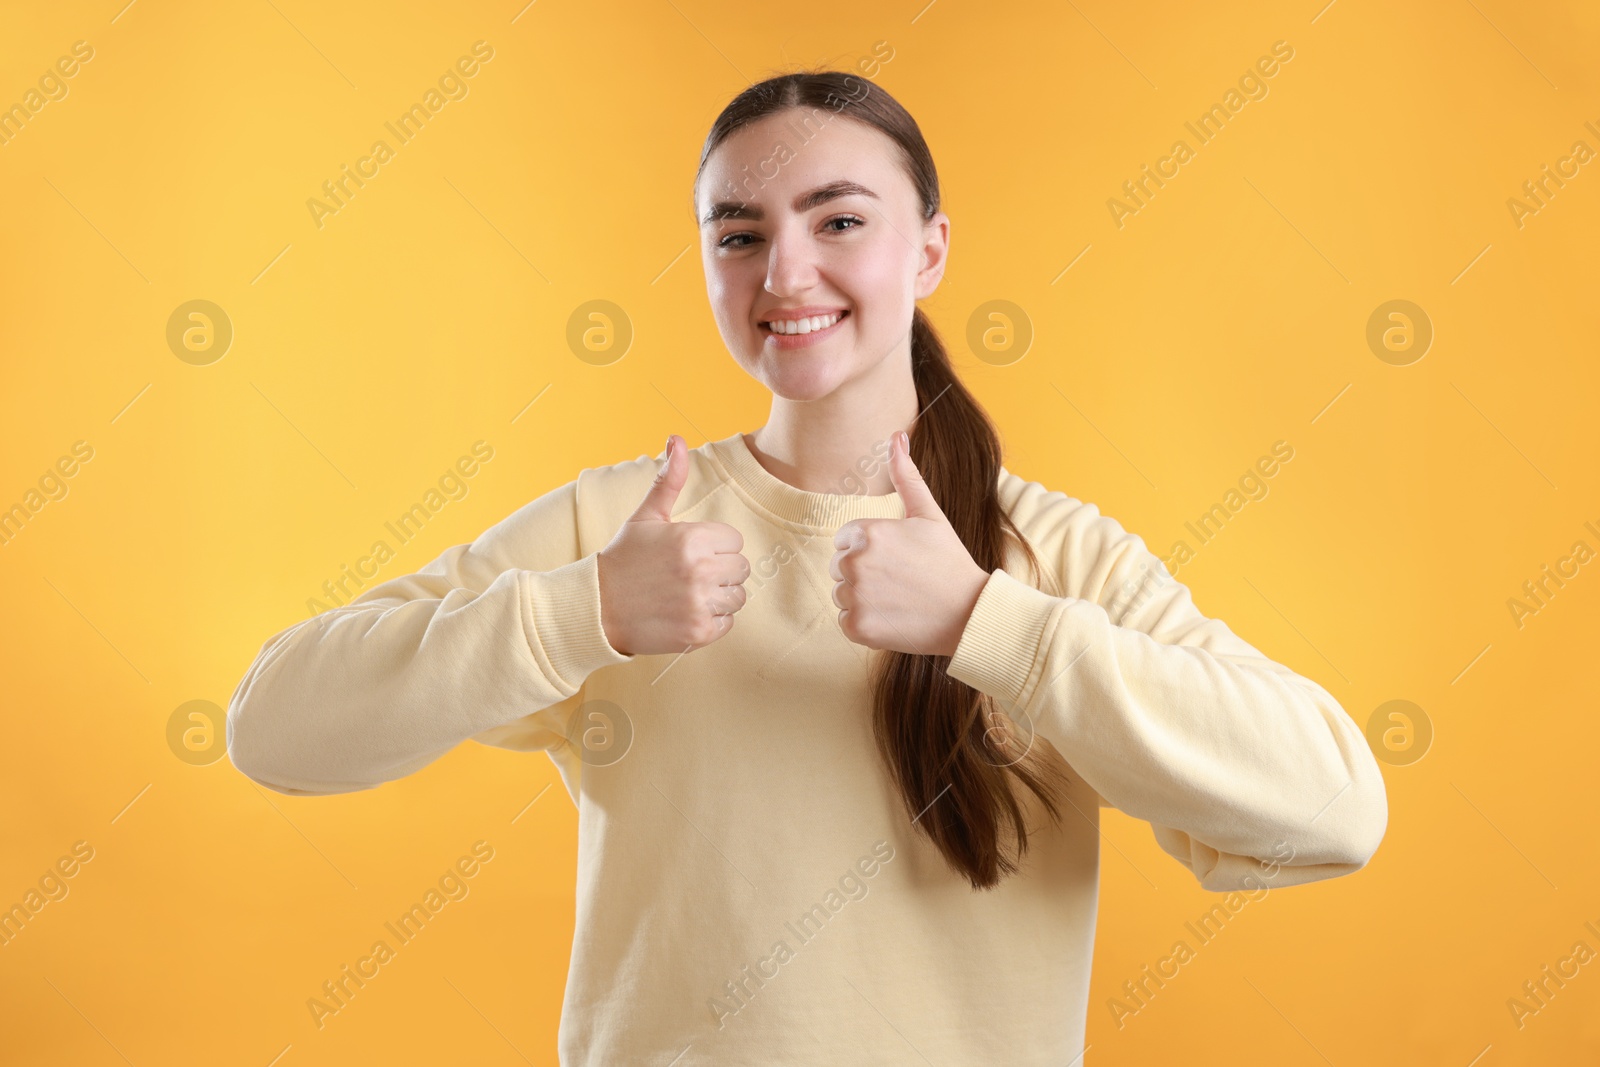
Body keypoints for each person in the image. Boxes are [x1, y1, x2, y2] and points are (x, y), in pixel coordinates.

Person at [226, 69, 1387, 1065]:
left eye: (838, 221)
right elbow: (275, 730)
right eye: (739, 232)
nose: (784, 272)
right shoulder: (623, 528)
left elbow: (1333, 811)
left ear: (929, 249)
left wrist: (995, 623)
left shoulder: (1051, 554)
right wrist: (579, 614)